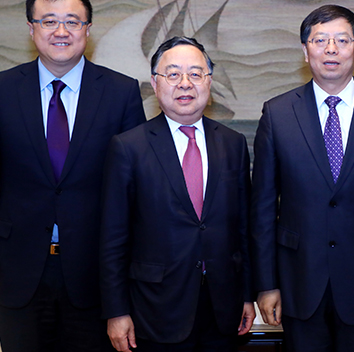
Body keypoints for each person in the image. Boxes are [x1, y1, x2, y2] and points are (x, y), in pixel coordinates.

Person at [0, 0, 146, 352]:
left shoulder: (121, 91)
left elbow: (136, 191)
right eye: (49, 21)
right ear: (31, 29)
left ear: (87, 29)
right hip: (18, 267)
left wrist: (132, 270)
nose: (61, 32)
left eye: (72, 22)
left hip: (95, 271)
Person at [249, 4, 354, 352]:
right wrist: (266, 284)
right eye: (320, 40)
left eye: (342, 40)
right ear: (305, 50)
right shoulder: (278, 114)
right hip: (299, 282)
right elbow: (263, 207)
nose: (331, 49)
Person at [99, 36, 255, 352]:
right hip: (155, 308)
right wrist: (116, 311)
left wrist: (248, 295)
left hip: (222, 307)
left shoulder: (233, 143)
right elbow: (113, 238)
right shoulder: (129, 147)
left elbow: (244, 228)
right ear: (155, 84)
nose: (185, 83)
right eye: (173, 74)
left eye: (196, 74)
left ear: (209, 82)